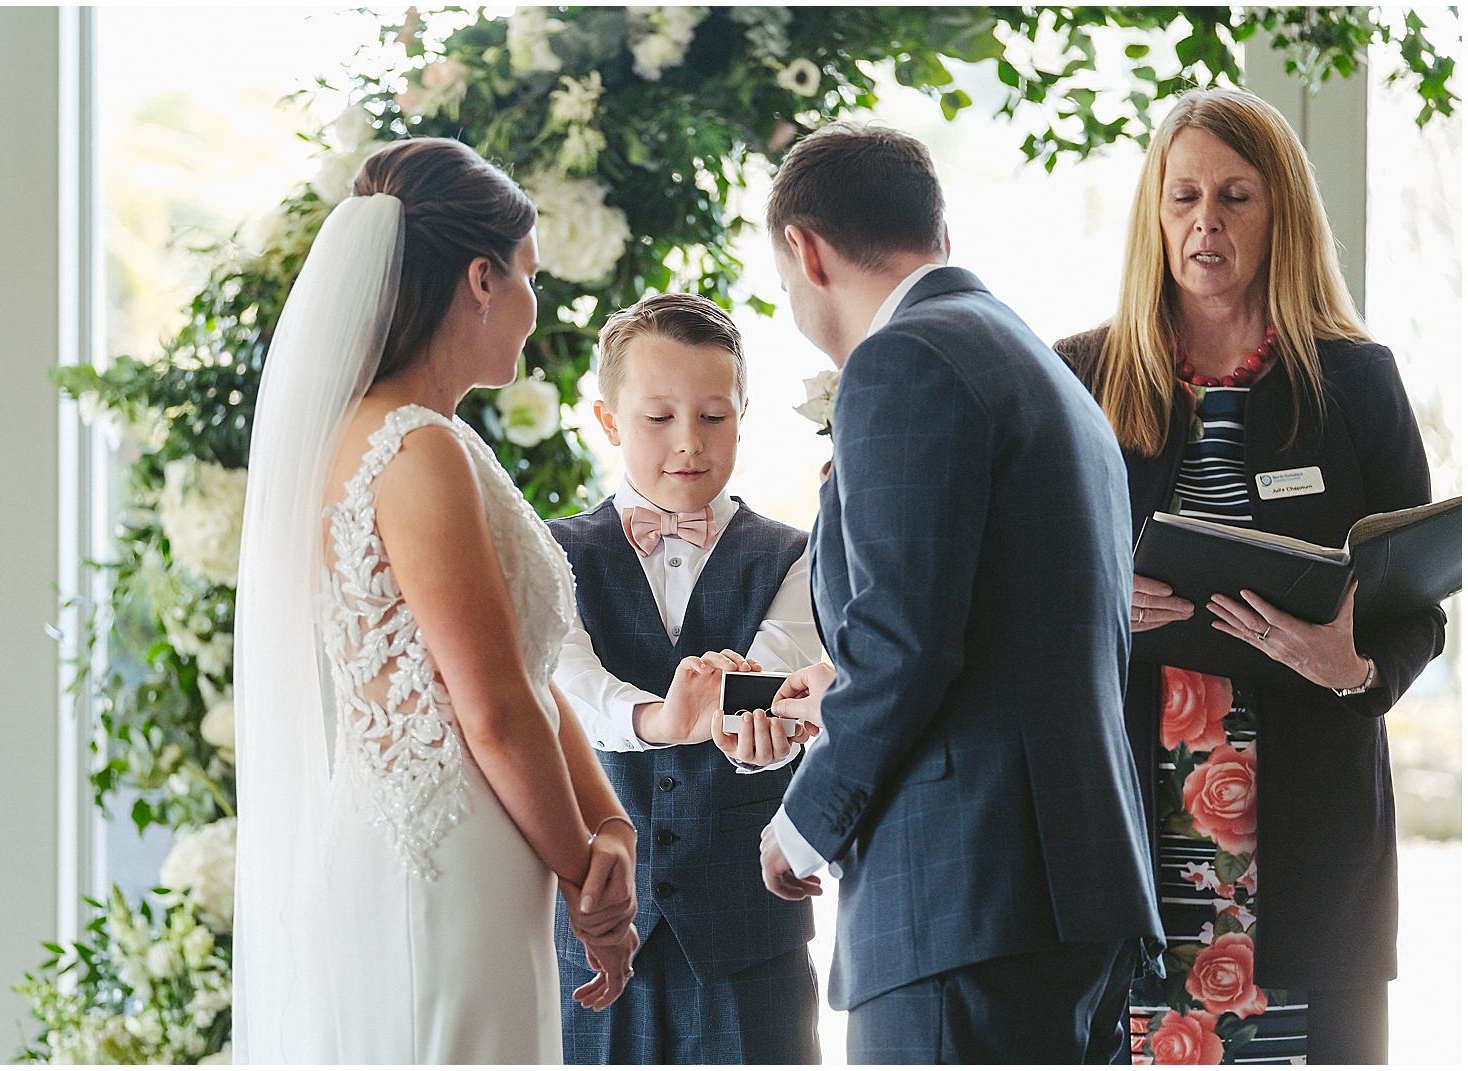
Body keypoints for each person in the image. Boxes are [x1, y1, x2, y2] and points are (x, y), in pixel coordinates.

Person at [1053, 87, 1446, 1065]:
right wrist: (1093, 608)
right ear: (1154, 215)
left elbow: (1415, 605)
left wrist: (1349, 666)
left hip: (1306, 831)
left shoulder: (1356, 380)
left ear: (1282, 216)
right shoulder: (1081, 378)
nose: (1206, 223)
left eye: (1234, 196)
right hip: (1135, 825)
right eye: (1182, 198)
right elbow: (1018, 591)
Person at [756, 121, 1162, 1064]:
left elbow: (906, 643)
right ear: (937, 232)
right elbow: (1002, 632)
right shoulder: (1039, 368)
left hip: (967, 899)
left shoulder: (904, 361)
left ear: (803, 251)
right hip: (1071, 888)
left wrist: (802, 826)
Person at [232, 137, 640, 1063]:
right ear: (482, 279)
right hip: (446, 863)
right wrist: (589, 881)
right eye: (531, 276)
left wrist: (606, 824)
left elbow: (524, 673)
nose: (541, 309)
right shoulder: (415, 449)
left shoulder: (412, 438)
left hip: (453, 848)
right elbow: (489, 707)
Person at [550, 292, 825, 1063]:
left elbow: (771, 687)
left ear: (743, 416)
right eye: (658, 417)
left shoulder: (795, 554)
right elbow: (567, 684)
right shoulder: (552, 551)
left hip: (748, 934)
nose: (688, 444)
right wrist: (659, 721)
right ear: (608, 421)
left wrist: (755, 739)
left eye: (713, 417)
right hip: (597, 929)